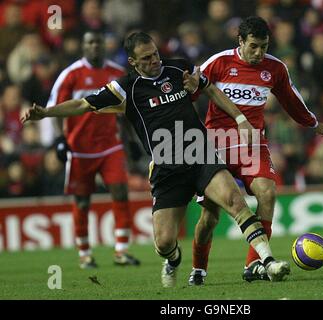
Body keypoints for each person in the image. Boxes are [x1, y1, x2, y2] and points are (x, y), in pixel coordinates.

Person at [21, 31, 298, 288]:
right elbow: (83, 104)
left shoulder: (178, 68)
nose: (155, 60)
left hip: (200, 154)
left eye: (155, 54)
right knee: (164, 242)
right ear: (133, 62)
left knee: (236, 202)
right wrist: (46, 113)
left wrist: (239, 118)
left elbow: (210, 88)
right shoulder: (125, 88)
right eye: (146, 58)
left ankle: (267, 261)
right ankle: (174, 259)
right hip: (166, 167)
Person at [188, 16, 323, 285]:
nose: (259, 53)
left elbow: (291, 98)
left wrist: (312, 123)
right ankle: (198, 268)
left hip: (252, 144)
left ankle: (253, 265)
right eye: (253, 46)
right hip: (216, 146)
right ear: (240, 41)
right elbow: (189, 95)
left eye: (264, 47)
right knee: (209, 217)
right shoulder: (217, 63)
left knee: (267, 192)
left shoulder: (275, 69)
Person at [42, 31, 140, 269]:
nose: (95, 46)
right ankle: (85, 253)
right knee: (83, 201)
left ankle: (121, 251)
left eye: (98, 42)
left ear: (104, 45)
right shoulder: (71, 75)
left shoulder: (116, 73)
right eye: (90, 42)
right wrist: (59, 139)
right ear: (84, 46)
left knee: (120, 192)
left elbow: (127, 111)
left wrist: (131, 141)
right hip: (79, 148)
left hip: (111, 145)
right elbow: (55, 109)